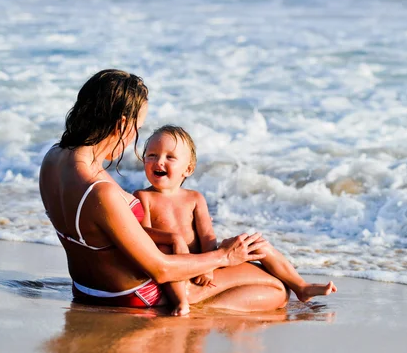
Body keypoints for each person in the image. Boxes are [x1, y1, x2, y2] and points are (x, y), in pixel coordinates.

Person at [39, 69, 334, 314]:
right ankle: (194, 311)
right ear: (122, 124)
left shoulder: (53, 159)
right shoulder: (98, 190)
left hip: (87, 288)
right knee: (276, 289)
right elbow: (162, 269)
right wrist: (223, 257)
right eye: (138, 128)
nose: (134, 138)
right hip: (133, 294)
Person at [135, 126, 337, 315]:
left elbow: (207, 235)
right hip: (177, 268)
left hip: (205, 262)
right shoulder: (143, 196)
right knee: (167, 249)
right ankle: (181, 301)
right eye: (151, 155)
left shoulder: (195, 198)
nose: (159, 161)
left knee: (255, 244)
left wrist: (209, 267)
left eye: (170, 157)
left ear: (188, 169)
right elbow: (142, 234)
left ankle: (300, 286)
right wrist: (174, 239)